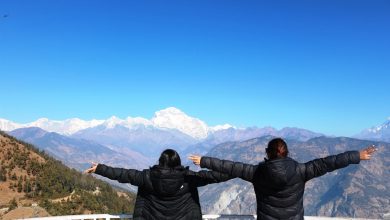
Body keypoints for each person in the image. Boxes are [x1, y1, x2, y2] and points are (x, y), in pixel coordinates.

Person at [189, 138, 377, 220]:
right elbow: (328, 163)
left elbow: (229, 166)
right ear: (287, 152)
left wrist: (204, 161)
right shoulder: (301, 170)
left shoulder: (256, 172)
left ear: (267, 153)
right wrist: (356, 155)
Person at [84, 149, 232, 220]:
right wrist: (237, 171)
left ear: (160, 162)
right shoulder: (189, 178)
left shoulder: (146, 177)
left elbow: (122, 174)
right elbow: (214, 176)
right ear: (178, 163)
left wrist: (99, 168)